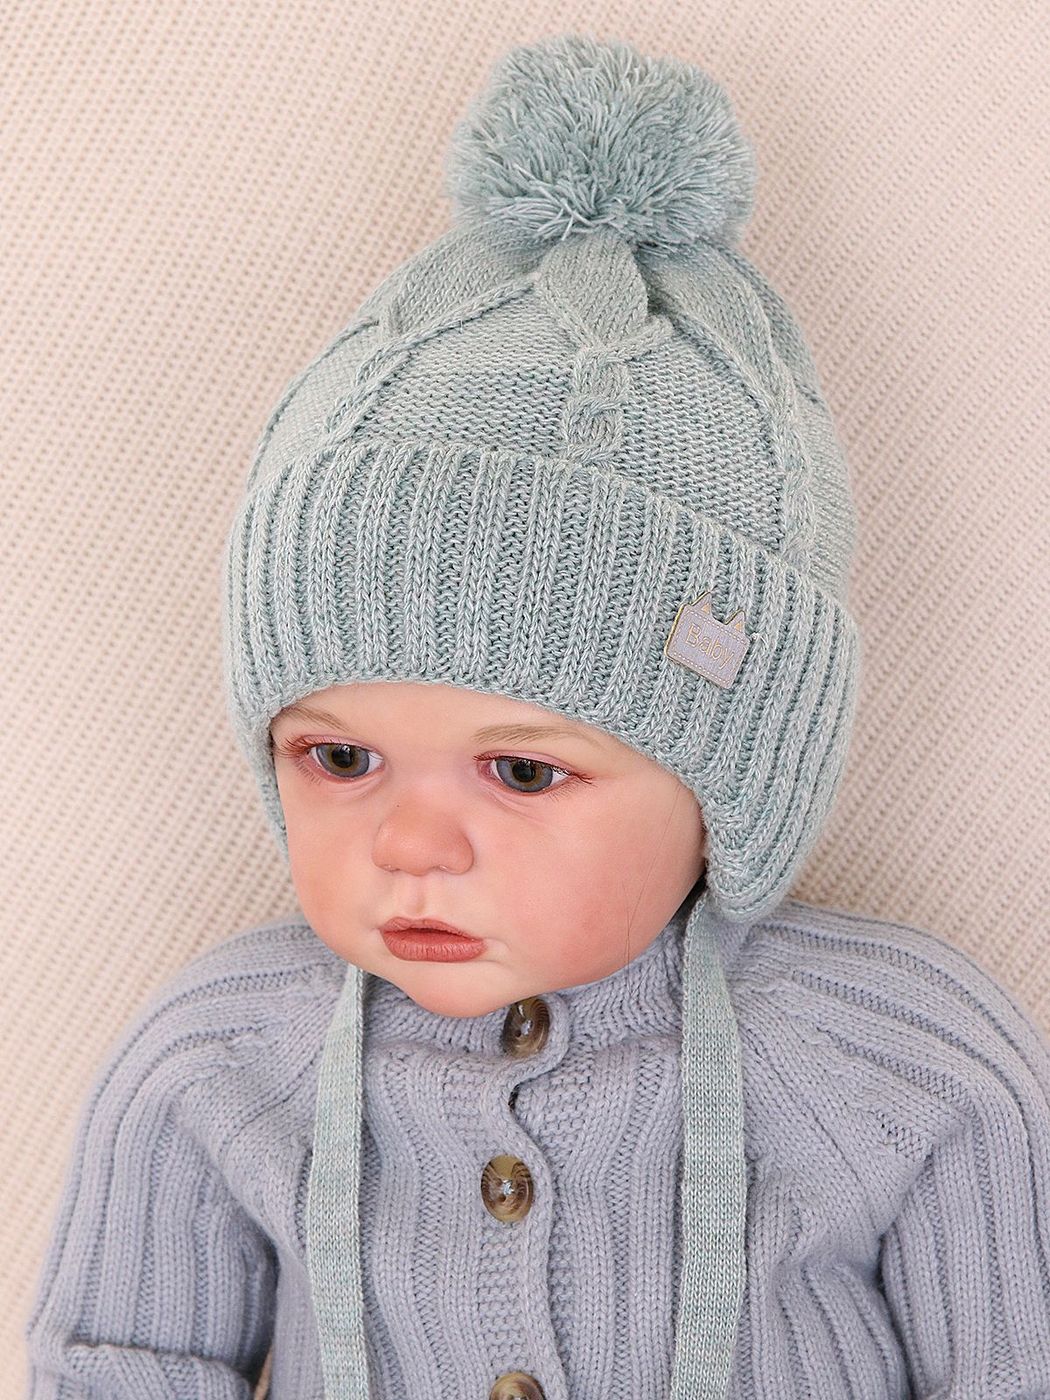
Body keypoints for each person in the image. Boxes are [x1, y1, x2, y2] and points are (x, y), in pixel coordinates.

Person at [23, 30, 1050, 1400]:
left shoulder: (902, 1061)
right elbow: (115, 1363)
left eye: (520, 771)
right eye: (339, 756)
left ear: (729, 784)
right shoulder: (216, 1059)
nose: (409, 844)